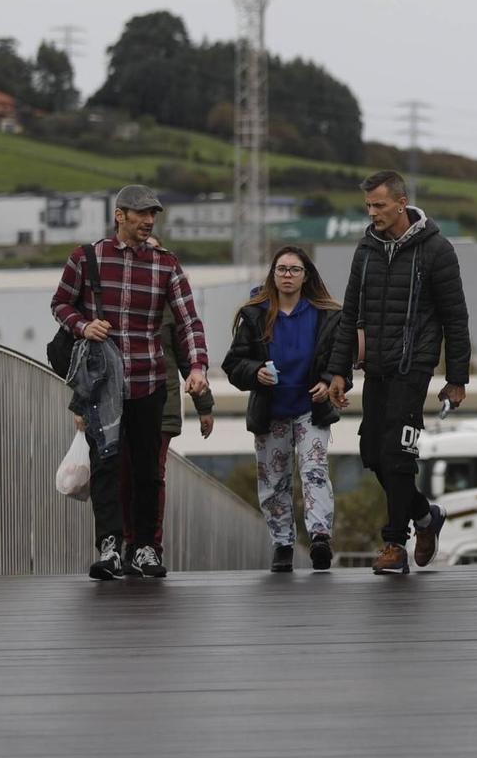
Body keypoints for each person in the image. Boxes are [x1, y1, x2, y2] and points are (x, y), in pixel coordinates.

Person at [51, 184, 211, 580]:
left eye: (153, 214)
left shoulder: (166, 264)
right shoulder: (86, 258)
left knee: (147, 471)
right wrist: (84, 325)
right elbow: (60, 304)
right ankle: (108, 546)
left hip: (149, 378)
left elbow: (189, 320)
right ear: (119, 215)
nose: (149, 221)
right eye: (140, 214)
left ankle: (144, 549)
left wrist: (197, 368)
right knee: (106, 466)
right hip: (104, 384)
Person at [337, 170, 471, 575]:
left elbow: (455, 318)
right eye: (368, 206)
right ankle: (426, 516)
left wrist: (457, 378)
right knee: (374, 455)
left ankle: (394, 544)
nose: (372, 213)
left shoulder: (437, 250)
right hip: (375, 367)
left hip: (414, 367)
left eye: (379, 205)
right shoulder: (366, 249)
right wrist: (337, 372)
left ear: (401, 202)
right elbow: (348, 316)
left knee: (398, 454)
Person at [223, 246, 349, 572]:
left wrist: (329, 381)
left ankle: (320, 536)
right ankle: (282, 543)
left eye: (294, 269)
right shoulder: (255, 314)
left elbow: (341, 360)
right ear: (273, 274)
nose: (288, 275)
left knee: (314, 471)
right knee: (274, 479)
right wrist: (255, 373)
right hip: (272, 409)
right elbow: (234, 363)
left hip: (312, 407)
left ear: (306, 275)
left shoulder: (326, 314)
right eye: (282, 269)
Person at [120, 262, 215, 575]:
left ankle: (149, 546)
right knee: (123, 474)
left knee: (152, 474)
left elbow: (189, 356)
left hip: (162, 404)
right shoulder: (116, 303)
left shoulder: (171, 308)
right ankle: (128, 542)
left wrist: (204, 405)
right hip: (121, 402)